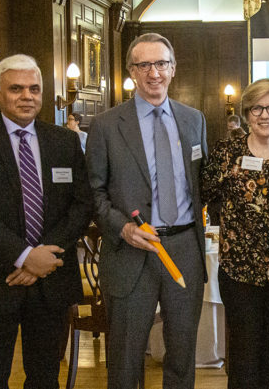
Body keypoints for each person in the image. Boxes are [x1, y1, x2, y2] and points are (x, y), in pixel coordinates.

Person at [0, 54, 92, 388]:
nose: (27, 96)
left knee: (45, 376)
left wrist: (45, 255)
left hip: (51, 279)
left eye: (34, 88)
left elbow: (82, 204)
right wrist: (25, 257)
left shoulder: (64, 141)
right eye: (16, 88)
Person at [85, 32, 208, 388]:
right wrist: (123, 228)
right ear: (132, 72)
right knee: (125, 357)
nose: (154, 73)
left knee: (183, 354)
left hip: (184, 249)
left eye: (161, 64)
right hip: (130, 251)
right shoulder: (107, 125)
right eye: (144, 65)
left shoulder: (193, 120)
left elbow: (202, 182)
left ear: (173, 70)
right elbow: (93, 193)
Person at [201, 79, 269, 388]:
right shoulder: (227, 153)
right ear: (247, 113)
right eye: (257, 108)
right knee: (242, 356)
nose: (265, 115)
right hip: (238, 274)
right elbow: (204, 192)